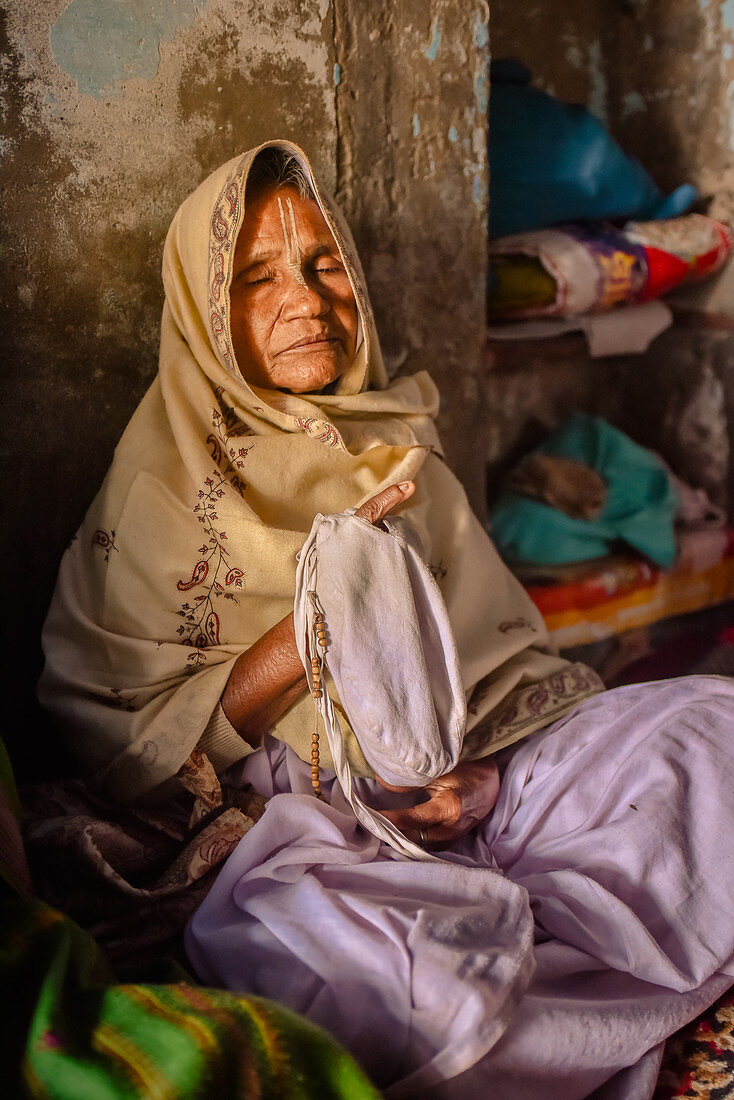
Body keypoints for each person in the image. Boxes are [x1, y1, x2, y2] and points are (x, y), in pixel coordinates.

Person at [38, 141, 734, 1099]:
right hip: (301, 821)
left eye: (325, 264)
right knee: (391, 978)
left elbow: (505, 661)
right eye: (257, 275)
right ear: (205, 312)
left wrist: (479, 778)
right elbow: (122, 746)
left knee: (712, 733)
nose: (309, 300)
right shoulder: (155, 499)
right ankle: (574, 974)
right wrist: (312, 631)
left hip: (490, 769)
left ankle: (563, 946)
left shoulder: (399, 448)